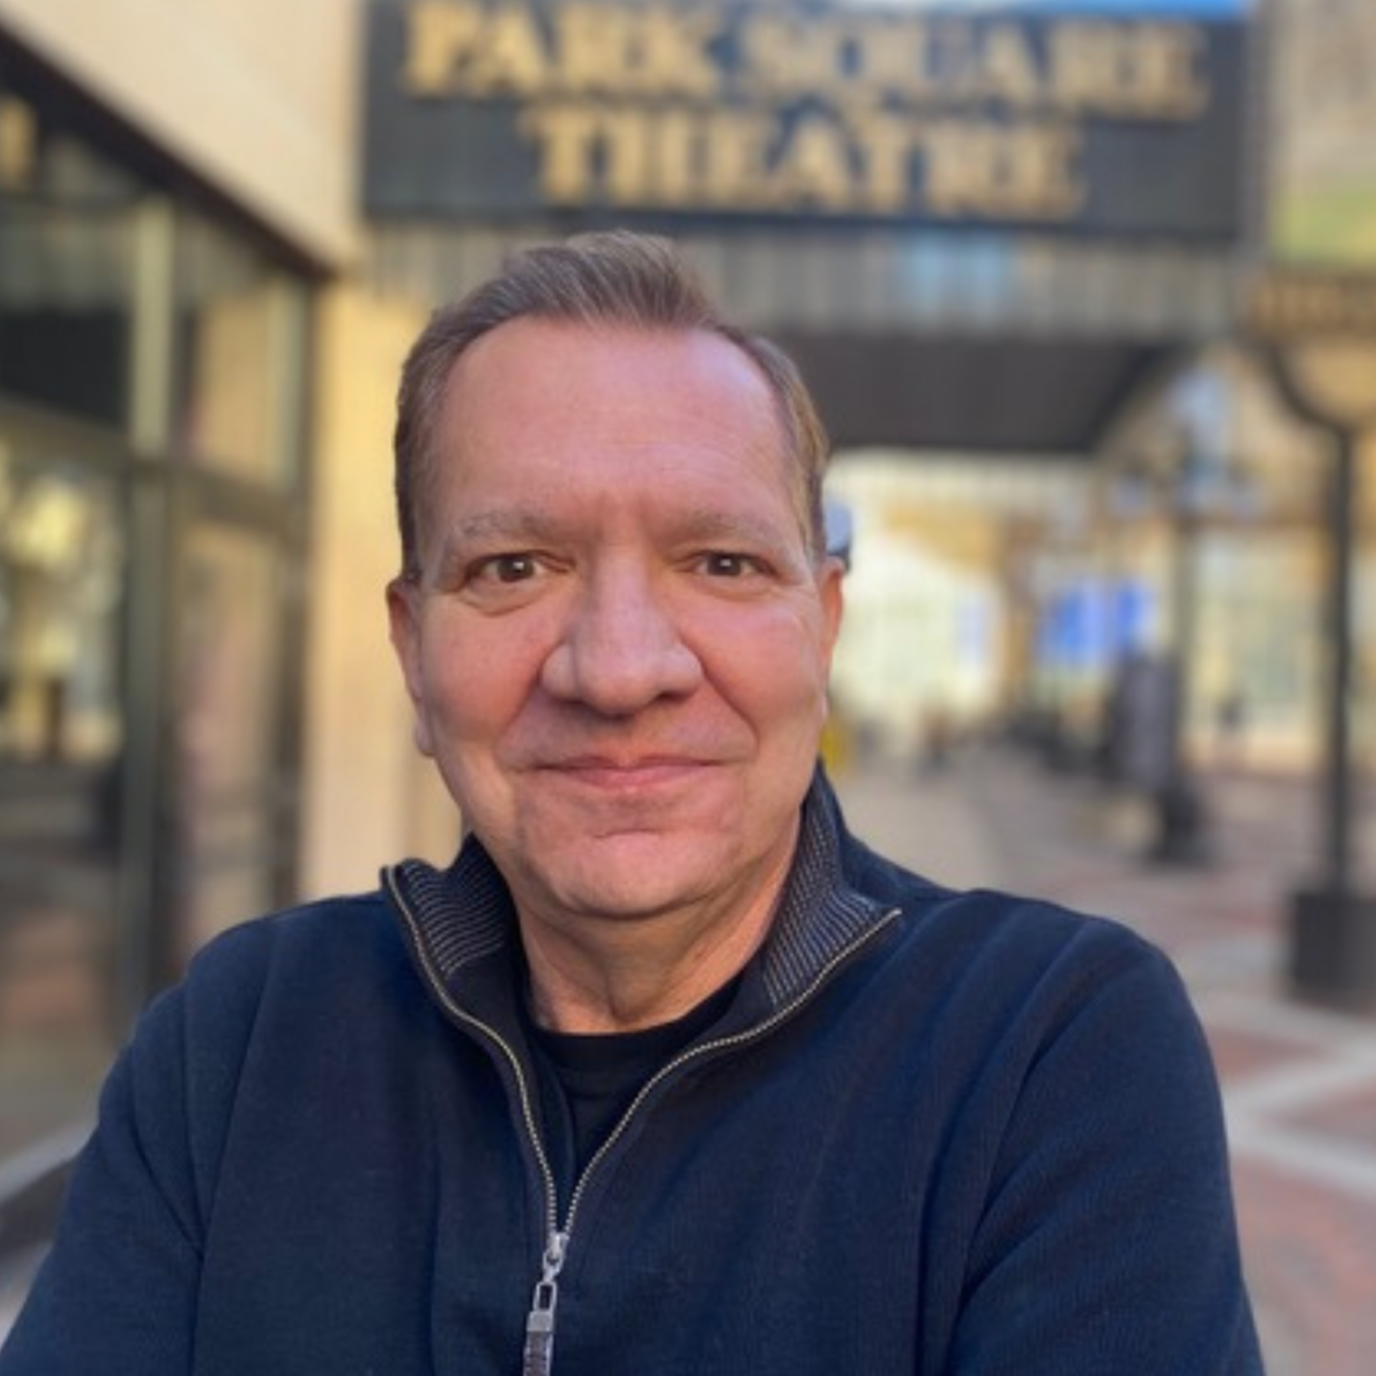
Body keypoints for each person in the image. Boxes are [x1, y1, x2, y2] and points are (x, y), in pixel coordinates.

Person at [0, 231, 1263, 1374]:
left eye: (720, 561)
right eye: (513, 565)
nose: (615, 669)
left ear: (820, 627)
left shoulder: (1047, 1050)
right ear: (413, 648)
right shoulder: (235, 1043)